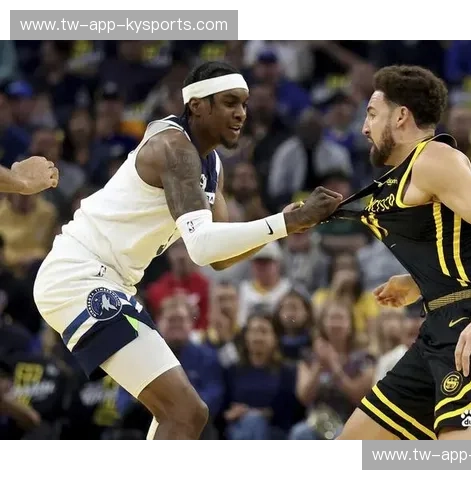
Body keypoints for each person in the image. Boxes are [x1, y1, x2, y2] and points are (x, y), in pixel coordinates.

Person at [32, 61, 342, 441]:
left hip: (111, 281)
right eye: (229, 102)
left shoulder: (213, 165)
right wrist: (285, 222)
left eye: (244, 104)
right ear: (196, 105)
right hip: (77, 274)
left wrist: (286, 225)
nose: (241, 113)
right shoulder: (174, 148)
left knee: (179, 415)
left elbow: (220, 257)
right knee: (186, 411)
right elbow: (201, 247)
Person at [330, 65, 471, 441]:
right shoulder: (420, 170)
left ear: (401, 116)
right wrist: (422, 280)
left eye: (372, 114)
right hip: (438, 326)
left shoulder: (433, 158)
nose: (365, 128)